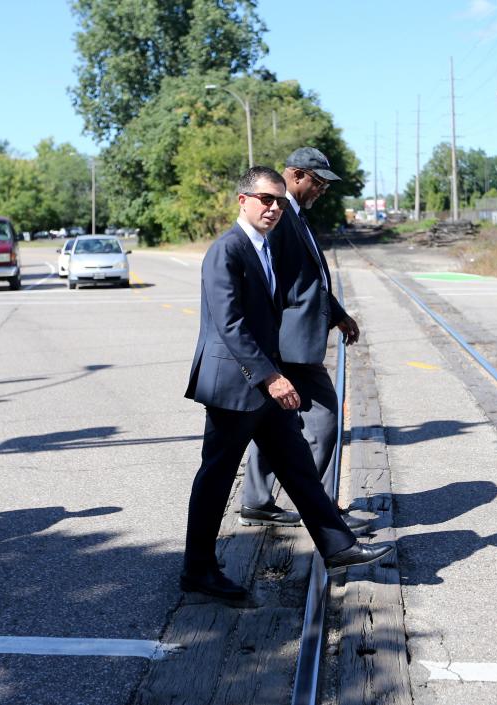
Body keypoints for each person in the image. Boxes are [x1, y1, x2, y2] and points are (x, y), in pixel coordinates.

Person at [181, 166, 392, 599]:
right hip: (233, 387)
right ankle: (197, 569)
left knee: (297, 466)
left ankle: (337, 547)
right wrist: (271, 377)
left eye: (278, 201)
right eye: (265, 200)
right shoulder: (227, 250)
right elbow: (230, 324)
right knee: (216, 478)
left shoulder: (265, 249)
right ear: (244, 201)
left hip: (263, 386)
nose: (274, 208)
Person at [239, 148, 367, 533]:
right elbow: (268, 282)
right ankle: (319, 511)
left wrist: (339, 315)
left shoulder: (296, 217)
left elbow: (309, 281)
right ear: (296, 175)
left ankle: (258, 501)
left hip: (293, 339)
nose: (323, 190)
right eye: (319, 181)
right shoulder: (279, 219)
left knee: (273, 425)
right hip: (289, 341)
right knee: (325, 421)